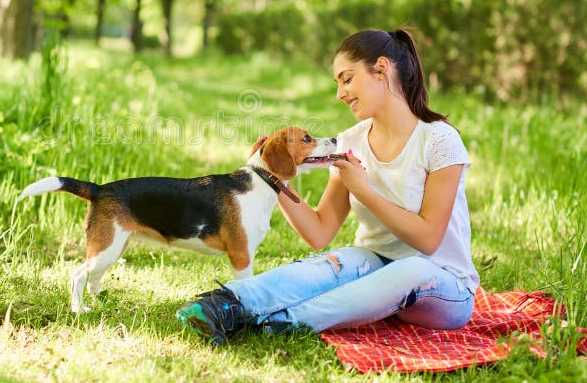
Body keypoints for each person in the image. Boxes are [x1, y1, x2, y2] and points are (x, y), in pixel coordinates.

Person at [175, 28, 479, 345]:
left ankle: (278, 323)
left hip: (441, 285)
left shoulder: (439, 139)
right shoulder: (352, 141)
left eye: (347, 79)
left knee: (411, 269)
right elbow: (319, 232)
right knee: (327, 265)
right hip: (374, 265)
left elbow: (429, 239)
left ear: (381, 69)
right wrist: (272, 177)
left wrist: (364, 191)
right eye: (338, 83)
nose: (339, 93)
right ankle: (226, 304)